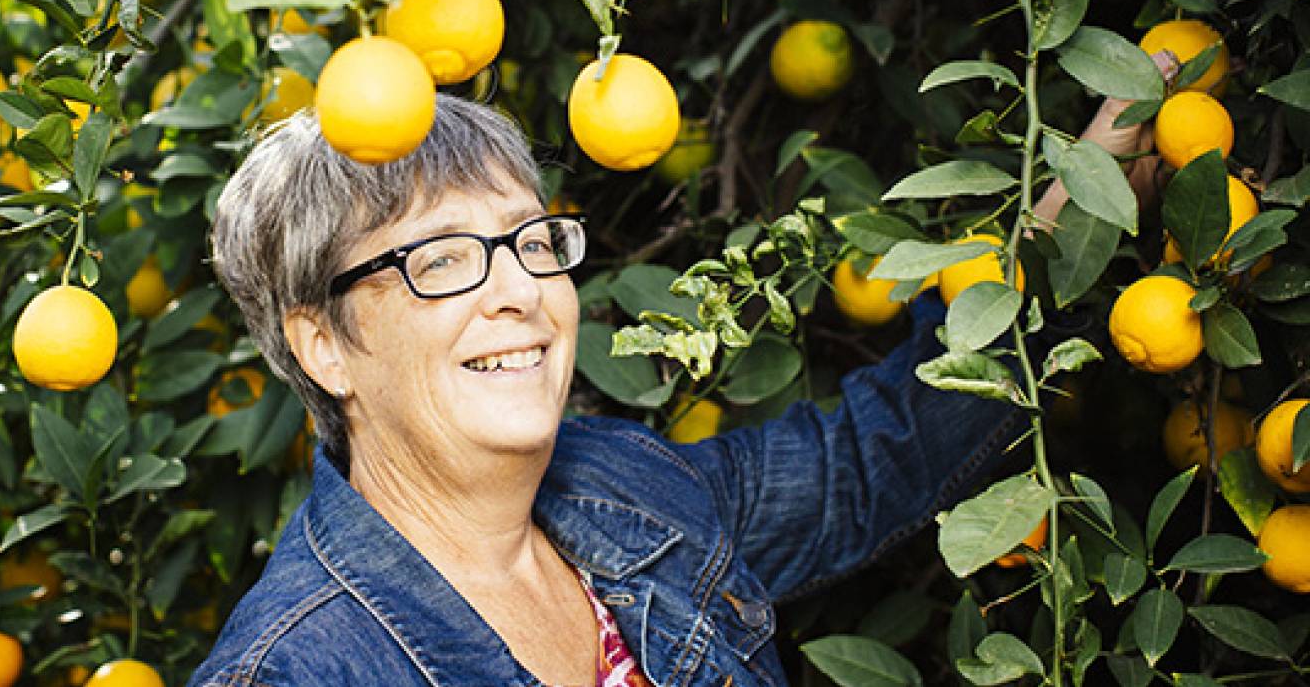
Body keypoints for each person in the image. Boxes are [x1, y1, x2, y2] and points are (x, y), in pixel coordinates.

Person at [194, 85, 1159, 686]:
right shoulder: (296, 671)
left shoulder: (631, 492)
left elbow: (879, 457)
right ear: (322, 343)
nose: (519, 291)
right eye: (444, 258)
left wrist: (1072, 219)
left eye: (532, 241)